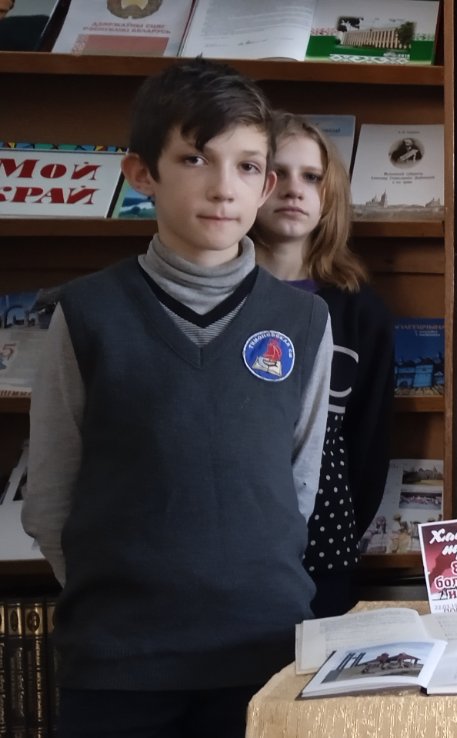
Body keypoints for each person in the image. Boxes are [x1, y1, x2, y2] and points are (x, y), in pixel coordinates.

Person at [22, 59, 332, 736]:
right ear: (143, 175)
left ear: (266, 185)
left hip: (263, 653)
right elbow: (49, 496)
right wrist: (124, 598)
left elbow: (296, 487)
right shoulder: (88, 313)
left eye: (246, 167)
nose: (223, 187)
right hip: (119, 664)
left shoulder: (304, 320)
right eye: (195, 158)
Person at [251, 111, 395, 618]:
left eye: (311, 177)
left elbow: (369, 439)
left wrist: (344, 527)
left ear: (329, 195)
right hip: (229, 542)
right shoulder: (222, 299)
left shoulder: (360, 310)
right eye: (278, 173)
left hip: (326, 541)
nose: (295, 189)